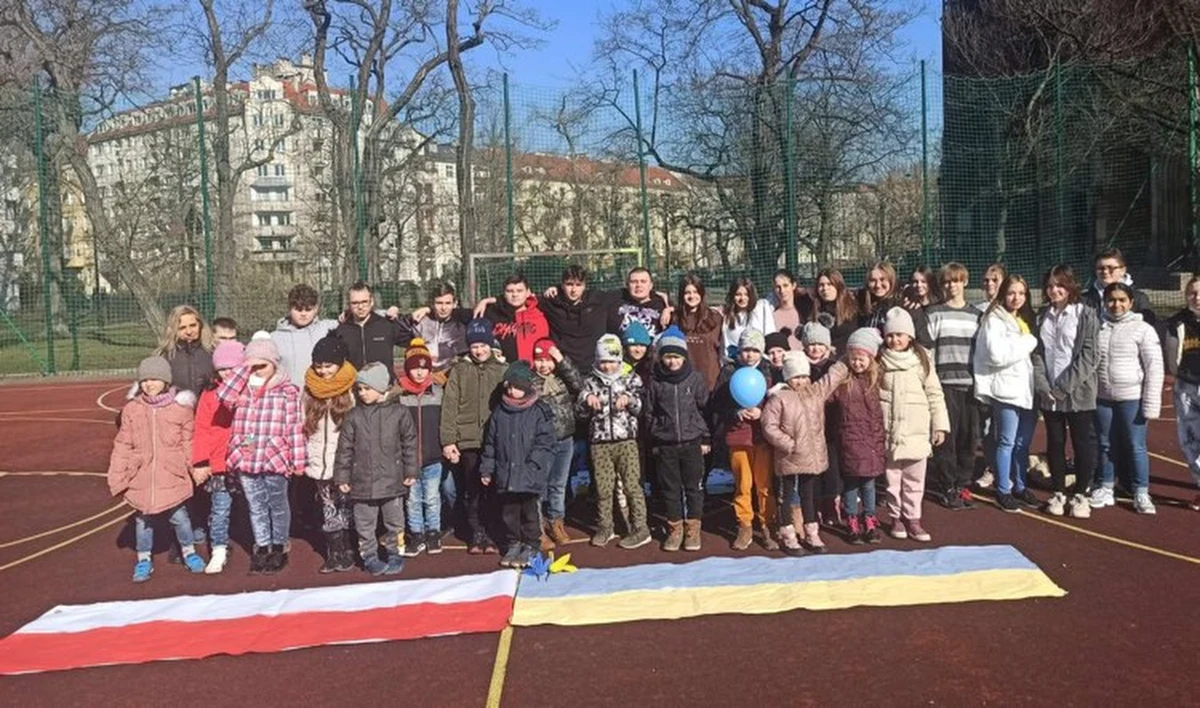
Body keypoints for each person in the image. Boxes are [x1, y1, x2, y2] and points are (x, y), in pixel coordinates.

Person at [108, 356, 204, 581]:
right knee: (143, 520)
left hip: (172, 474)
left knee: (180, 517)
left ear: (166, 381)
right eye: (144, 380)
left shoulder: (180, 410)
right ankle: (144, 559)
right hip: (142, 476)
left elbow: (188, 442)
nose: (149, 384)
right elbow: (123, 444)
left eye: (154, 379)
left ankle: (189, 552)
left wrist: (195, 467)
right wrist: (118, 475)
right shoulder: (132, 410)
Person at [216, 335, 305, 575]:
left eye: (262, 365)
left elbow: (294, 426)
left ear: (274, 363)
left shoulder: (287, 391)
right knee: (255, 505)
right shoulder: (241, 389)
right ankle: (262, 546)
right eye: (252, 365)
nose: (257, 370)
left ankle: (279, 545)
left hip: (275, 456)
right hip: (247, 457)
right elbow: (223, 396)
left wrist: (298, 460)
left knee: (277, 503)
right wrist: (243, 370)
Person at [334, 362, 419, 575]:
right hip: (362, 482)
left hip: (392, 480)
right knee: (364, 524)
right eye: (359, 389)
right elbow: (344, 449)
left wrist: (411, 471)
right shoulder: (353, 416)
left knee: (395, 521)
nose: (362, 393)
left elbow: (409, 444)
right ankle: (369, 556)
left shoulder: (400, 413)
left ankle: (395, 553)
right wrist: (342, 477)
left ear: (382, 388)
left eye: (367, 388)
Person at [761, 351, 848, 554]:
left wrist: (847, 356)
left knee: (808, 495)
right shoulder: (779, 398)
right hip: (788, 458)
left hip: (810, 458)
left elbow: (832, 377)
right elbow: (769, 426)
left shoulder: (815, 392)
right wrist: (788, 444)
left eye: (803, 376)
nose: (800, 381)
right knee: (786, 496)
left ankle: (811, 532)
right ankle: (788, 535)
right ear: (787, 377)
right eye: (795, 377)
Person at [1091, 282, 1163, 514]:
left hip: (1132, 397)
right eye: (1112, 300)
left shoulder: (1143, 329)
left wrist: (1151, 404)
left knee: (1135, 445)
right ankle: (1106, 486)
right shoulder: (1097, 326)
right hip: (1102, 398)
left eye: (1122, 300)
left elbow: (1154, 367)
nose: (1117, 304)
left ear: (1131, 302)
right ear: (1105, 302)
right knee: (1104, 444)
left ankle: (1141, 491)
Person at [973, 276, 1042, 514]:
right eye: (1012, 293)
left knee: (1023, 444)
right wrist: (1028, 342)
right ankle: (1003, 489)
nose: (1017, 298)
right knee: (1006, 441)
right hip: (1006, 391)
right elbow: (997, 356)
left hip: (1027, 390)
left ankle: (1021, 486)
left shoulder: (1023, 319)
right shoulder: (994, 320)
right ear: (1003, 294)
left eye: (1022, 293)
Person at [1035, 265, 1099, 519]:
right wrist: (1044, 386)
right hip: (1049, 394)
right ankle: (1059, 492)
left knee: (1082, 444)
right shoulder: (1042, 316)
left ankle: (1081, 494)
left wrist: (1063, 388)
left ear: (1070, 285)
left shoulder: (1086, 314)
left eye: (1059, 284)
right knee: (1055, 443)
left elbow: (1089, 356)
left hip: (1077, 393)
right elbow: (1037, 353)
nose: (1054, 290)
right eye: (1050, 286)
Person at [880, 308, 949, 542]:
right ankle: (895, 517)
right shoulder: (879, 361)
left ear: (910, 336)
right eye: (890, 335)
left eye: (900, 334)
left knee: (914, 480)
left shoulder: (922, 360)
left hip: (916, 431)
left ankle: (913, 518)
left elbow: (934, 393)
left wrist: (939, 425)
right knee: (892, 480)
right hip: (889, 432)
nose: (894, 340)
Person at [482, 361, 560, 567]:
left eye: (515, 387)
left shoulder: (538, 411)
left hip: (529, 474)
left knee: (530, 512)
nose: (511, 390)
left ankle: (531, 545)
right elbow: (490, 444)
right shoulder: (499, 413)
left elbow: (546, 442)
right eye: (508, 387)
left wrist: (535, 464)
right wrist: (488, 469)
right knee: (509, 513)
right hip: (506, 473)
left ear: (525, 387)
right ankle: (513, 544)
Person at [441, 318, 508, 554]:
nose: (479, 350)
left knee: (494, 488)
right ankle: (476, 531)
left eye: (483, 345)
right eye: (474, 346)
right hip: (468, 439)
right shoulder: (459, 371)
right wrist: (449, 440)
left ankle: (493, 530)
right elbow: (450, 406)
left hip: (495, 440)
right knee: (472, 489)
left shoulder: (501, 370)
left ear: (491, 344)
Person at [577, 333, 650, 549]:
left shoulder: (631, 378)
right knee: (603, 488)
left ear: (619, 361)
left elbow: (640, 408)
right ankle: (605, 526)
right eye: (603, 362)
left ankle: (640, 528)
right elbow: (579, 413)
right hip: (599, 442)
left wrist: (629, 400)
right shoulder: (589, 381)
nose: (607, 366)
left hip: (626, 441)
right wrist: (585, 401)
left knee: (632, 485)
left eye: (612, 361)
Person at [644, 326, 711, 551]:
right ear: (661, 357)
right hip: (666, 445)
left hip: (692, 442)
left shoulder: (695, 379)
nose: (672, 361)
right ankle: (675, 529)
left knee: (693, 487)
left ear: (684, 356)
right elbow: (649, 413)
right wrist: (655, 439)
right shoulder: (656, 382)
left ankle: (693, 529)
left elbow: (705, 410)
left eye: (676, 356)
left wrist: (705, 439)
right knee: (670, 489)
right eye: (668, 356)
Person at [710, 329, 777, 551]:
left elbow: (778, 404)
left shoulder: (769, 373)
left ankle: (768, 523)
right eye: (745, 350)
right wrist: (734, 412)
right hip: (737, 437)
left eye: (754, 350)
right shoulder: (728, 372)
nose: (749, 355)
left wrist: (762, 412)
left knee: (764, 484)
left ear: (761, 352)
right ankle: (744, 524)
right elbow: (718, 404)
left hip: (762, 438)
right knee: (743, 483)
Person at [925, 263, 982, 510]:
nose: (952, 286)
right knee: (946, 440)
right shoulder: (934, 313)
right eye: (947, 282)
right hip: (944, 386)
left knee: (968, 440)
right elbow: (928, 353)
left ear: (965, 282)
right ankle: (947, 486)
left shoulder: (977, 316)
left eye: (956, 281)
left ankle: (962, 484)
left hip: (970, 386)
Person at [302, 334, 357, 573]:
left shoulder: (351, 391)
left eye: (329, 366)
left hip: (344, 462)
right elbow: (300, 423)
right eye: (319, 366)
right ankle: (334, 551)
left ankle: (349, 547)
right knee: (328, 505)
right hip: (319, 462)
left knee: (347, 505)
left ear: (340, 364)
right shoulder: (307, 392)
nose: (323, 371)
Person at [192, 340, 244, 574]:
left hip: (246, 461)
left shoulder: (250, 391)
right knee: (220, 508)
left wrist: (249, 451)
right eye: (222, 369)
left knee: (255, 507)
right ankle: (219, 548)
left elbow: (253, 428)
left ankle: (262, 545)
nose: (226, 373)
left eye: (231, 368)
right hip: (219, 463)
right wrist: (201, 460)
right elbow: (202, 428)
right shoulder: (209, 394)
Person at [830, 328, 886, 544]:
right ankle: (852, 518)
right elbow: (828, 398)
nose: (857, 363)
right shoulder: (844, 381)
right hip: (850, 443)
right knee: (851, 485)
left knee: (869, 485)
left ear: (870, 358)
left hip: (871, 443)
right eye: (853, 358)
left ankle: (869, 518)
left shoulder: (876, 380)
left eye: (861, 359)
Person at [529, 339, 584, 549]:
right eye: (539, 360)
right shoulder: (531, 381)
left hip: (565, 439)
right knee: (539, 486)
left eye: (548, 360)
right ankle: (538, 527)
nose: (544, 365)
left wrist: (562, 360)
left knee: (558, 484)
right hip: (541, 443)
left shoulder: (561, 379)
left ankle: (556, 521)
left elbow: (578, 384)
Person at [394, 338, 447, 557]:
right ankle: (416, 534)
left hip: (433, 457)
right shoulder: (399, 396)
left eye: (424, 368)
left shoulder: (437, 393)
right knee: (413, 499)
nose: (419, 373)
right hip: (409, 460)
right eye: (414, 368)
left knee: (432, 497)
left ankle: (433, 533)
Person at [1163, 276, 1200, 512]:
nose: (1197, 298)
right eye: (1192, 293)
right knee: (1189, 440)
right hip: (1186, 386)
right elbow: (1171, 352)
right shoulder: (1177, 321)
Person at [801, 321, 841, 527]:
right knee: (812, 471)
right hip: (809, 429)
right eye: (811, 344)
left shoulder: (833, 367)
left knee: (832, 470)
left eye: (820, 344)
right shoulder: (800, 368)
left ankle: (831, 505)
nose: (815, 349)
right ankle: (814, 505)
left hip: (831, 428)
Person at [538, 265, 613, 371]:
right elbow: (526, 299)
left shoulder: (598, 301)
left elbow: (624, 295)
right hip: (563, 367)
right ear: (562, 285)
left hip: (593, 368)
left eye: (578, 285)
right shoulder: (551, 303)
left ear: (584, 286)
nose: (573, 290)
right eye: (569, 284)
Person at [336, 281, 408, 378]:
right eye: (355, 303)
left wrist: (399, 317)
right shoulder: (341, 330)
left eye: (364, 302)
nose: (360, 307)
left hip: (384, 387)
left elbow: (415, 338)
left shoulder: (386, 325)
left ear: (372, 301)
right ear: (349, 304)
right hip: (355, 387)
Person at [273, 284, 339, 387]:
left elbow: (354, 323)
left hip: (321, 396)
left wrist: (347, 314)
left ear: (316, 309)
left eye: (308, 309)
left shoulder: (327, 329)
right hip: (289, 399)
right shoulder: (275, 338)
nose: (303, 314)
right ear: (290, 308)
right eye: (298, 309)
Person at [402, 282, 469, 381]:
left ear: (455, 304)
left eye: (448, 303)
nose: (443, 308)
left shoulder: (461, 326)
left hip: (450, 377)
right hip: (423, 376)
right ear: (432, 304)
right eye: (439, 303)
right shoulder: (421, 322)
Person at [858, 261, 932, 348]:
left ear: (891, 280)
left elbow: (924, 341)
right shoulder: (862, 303)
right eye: (872, 281)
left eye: (882, 279)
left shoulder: (907, 303)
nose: (878, 285)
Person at [480, 274, 551, 365]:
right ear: (504, 293)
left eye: (519, 291)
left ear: (528, 292)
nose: (515, 295)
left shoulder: (542, 311)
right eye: (509, 291)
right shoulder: (492, 313)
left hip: (532, 373)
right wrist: (484, 301)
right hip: (502, 372)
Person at [673, 273, 724, 390]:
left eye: (695, 292)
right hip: (684, 382)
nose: (692, 296)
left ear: (701, 293)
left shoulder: (715, 318)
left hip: (710, 380)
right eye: (687, 293)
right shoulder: (674, 318)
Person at [1083, 248, 1157, 328]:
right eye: (1101, 268)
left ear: (1123, 270)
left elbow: (1149, 322)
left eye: (1110, 268)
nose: (1105, 272)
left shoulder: (1139, 298)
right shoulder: (1084, 299)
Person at [156, 304, 214, 396]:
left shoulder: (212, 352)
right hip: (177, 407)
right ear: (174, 330)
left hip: (208, 407)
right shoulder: (165, 356)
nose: (189, 332)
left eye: (193, 325)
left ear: (200, 325)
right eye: (182, 328)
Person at [607, 267, 671, 338]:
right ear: (627, 285)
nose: (638, 285)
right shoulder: (616, 300)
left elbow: (681, 309)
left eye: (643, 281)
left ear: (651, 285)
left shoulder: (662, 303)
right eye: (634, 282)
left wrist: (669, 309)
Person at [721, 278, 777, 360]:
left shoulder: (761, 308)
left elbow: (770, 336)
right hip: (736, 362)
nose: (742, 298)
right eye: (738, 294)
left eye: (746, 294)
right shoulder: (726, 316)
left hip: (759, 362)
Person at [808, 268, 859, 354]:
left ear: (838, 286)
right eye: (821, 285)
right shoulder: (814, 308)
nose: (825, 288)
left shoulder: (852, 307)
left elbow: (852, 333)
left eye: (830, 284)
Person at [772, 269, 809, 351]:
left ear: (793, 285)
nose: (782, 291)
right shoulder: (772, 315)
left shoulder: (805, 310)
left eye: (785, 285)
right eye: (778, 287)